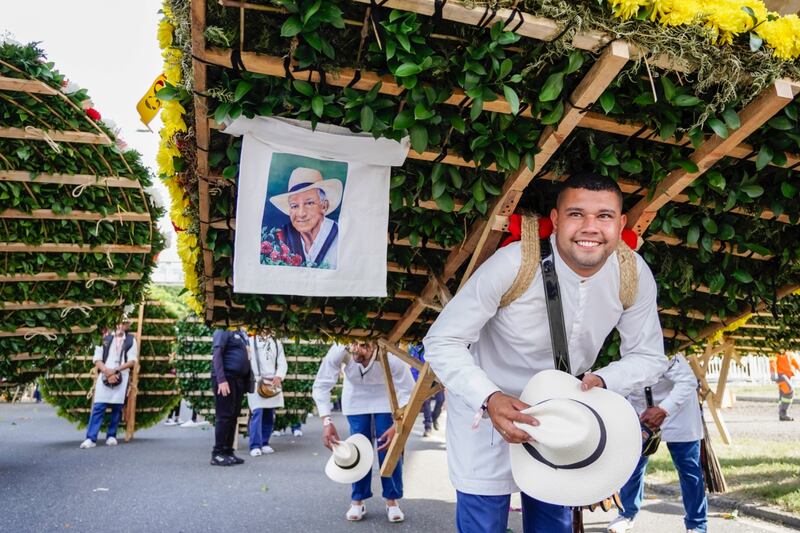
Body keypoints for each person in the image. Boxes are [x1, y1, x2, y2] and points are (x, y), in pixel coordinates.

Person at [423, 172, 668, 533]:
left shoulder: (632, 273)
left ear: (620, 224)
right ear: (555, 221)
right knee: (483, 525)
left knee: (552, 526)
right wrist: (489, 397)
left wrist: (604, 380)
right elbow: (442, 340)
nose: (590, 227)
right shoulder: (514, 263)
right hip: (488, 414)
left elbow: (649, 355)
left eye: (603, 216)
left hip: (563, 416)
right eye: (576, 214)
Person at [312, 341, 415, 523]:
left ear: (374, 345)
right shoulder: (340, 350)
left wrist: (398, 424)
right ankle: (358, 499)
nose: (357, 351)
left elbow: (409, 390)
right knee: (358, 448)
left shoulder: (391, 356)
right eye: (353, 347)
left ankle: (392, 500)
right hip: (355, 400)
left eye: (363, 347)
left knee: (389, 448)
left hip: (386, 399)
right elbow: (322, 384)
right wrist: (326, 421)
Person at [607, 355, 707, 533]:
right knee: (632, 465)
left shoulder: (668, 352)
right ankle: (627, 514)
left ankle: (697, 524)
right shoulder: (619, 353)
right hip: (642, 412)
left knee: (689, 469)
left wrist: (664, 409)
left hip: (679, 412)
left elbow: (688, 382)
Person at [268, 167, 342, 269]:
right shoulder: (281, 238)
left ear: (324, 206)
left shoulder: (341, 236)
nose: (301, 213)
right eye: (294, 206)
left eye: (309, 203)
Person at [80, 320, 137, 449]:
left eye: (124, 323)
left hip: (121, 374)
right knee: (99, 406)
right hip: (105, 374)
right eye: (119, 323)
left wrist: (116, 371)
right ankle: (91, 438)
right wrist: (107, 372)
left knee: (117, 408)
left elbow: (132, 361)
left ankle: (111, 435)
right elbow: (97, 359)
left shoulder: (131, 340)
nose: (120, 326)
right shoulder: (104, 337)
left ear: (128, 326)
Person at [210, 327, 252, 466]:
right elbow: (217, 354)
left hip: (237, 380)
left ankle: (228, 451)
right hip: (226, 379)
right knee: (224, 416)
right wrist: (221, 380)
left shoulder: (239, 333)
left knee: (233, 416)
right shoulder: (222, 330)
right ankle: (217, 453)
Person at [247, 332, 287, 456]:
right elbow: (248, 361)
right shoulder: (250, 340)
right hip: (256, 381)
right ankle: (255, 445)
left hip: (272, 382)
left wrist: (279, 376)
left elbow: (282, 361)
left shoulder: (276, 341)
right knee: (257, 412)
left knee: (269, 413)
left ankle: (265, 443)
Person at [409, 343, 445, 437]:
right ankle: (427, 426)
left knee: (440, 399)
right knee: (426, 402)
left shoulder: (438, 345)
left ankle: (435, 417)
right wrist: (417, 382)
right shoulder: (417, 347)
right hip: (423, 377)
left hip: (437, 378)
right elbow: (414, 366)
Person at [770, 351, 800, 421]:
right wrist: (773, 373)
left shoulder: (789, 351)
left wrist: (798, 367)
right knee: (789, 392)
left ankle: (782, 415)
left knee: (783, 395)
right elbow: (772, 361)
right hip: (780, 374)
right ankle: (783, 413)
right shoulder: (776, 349)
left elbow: (792, 360)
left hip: (787, 375)